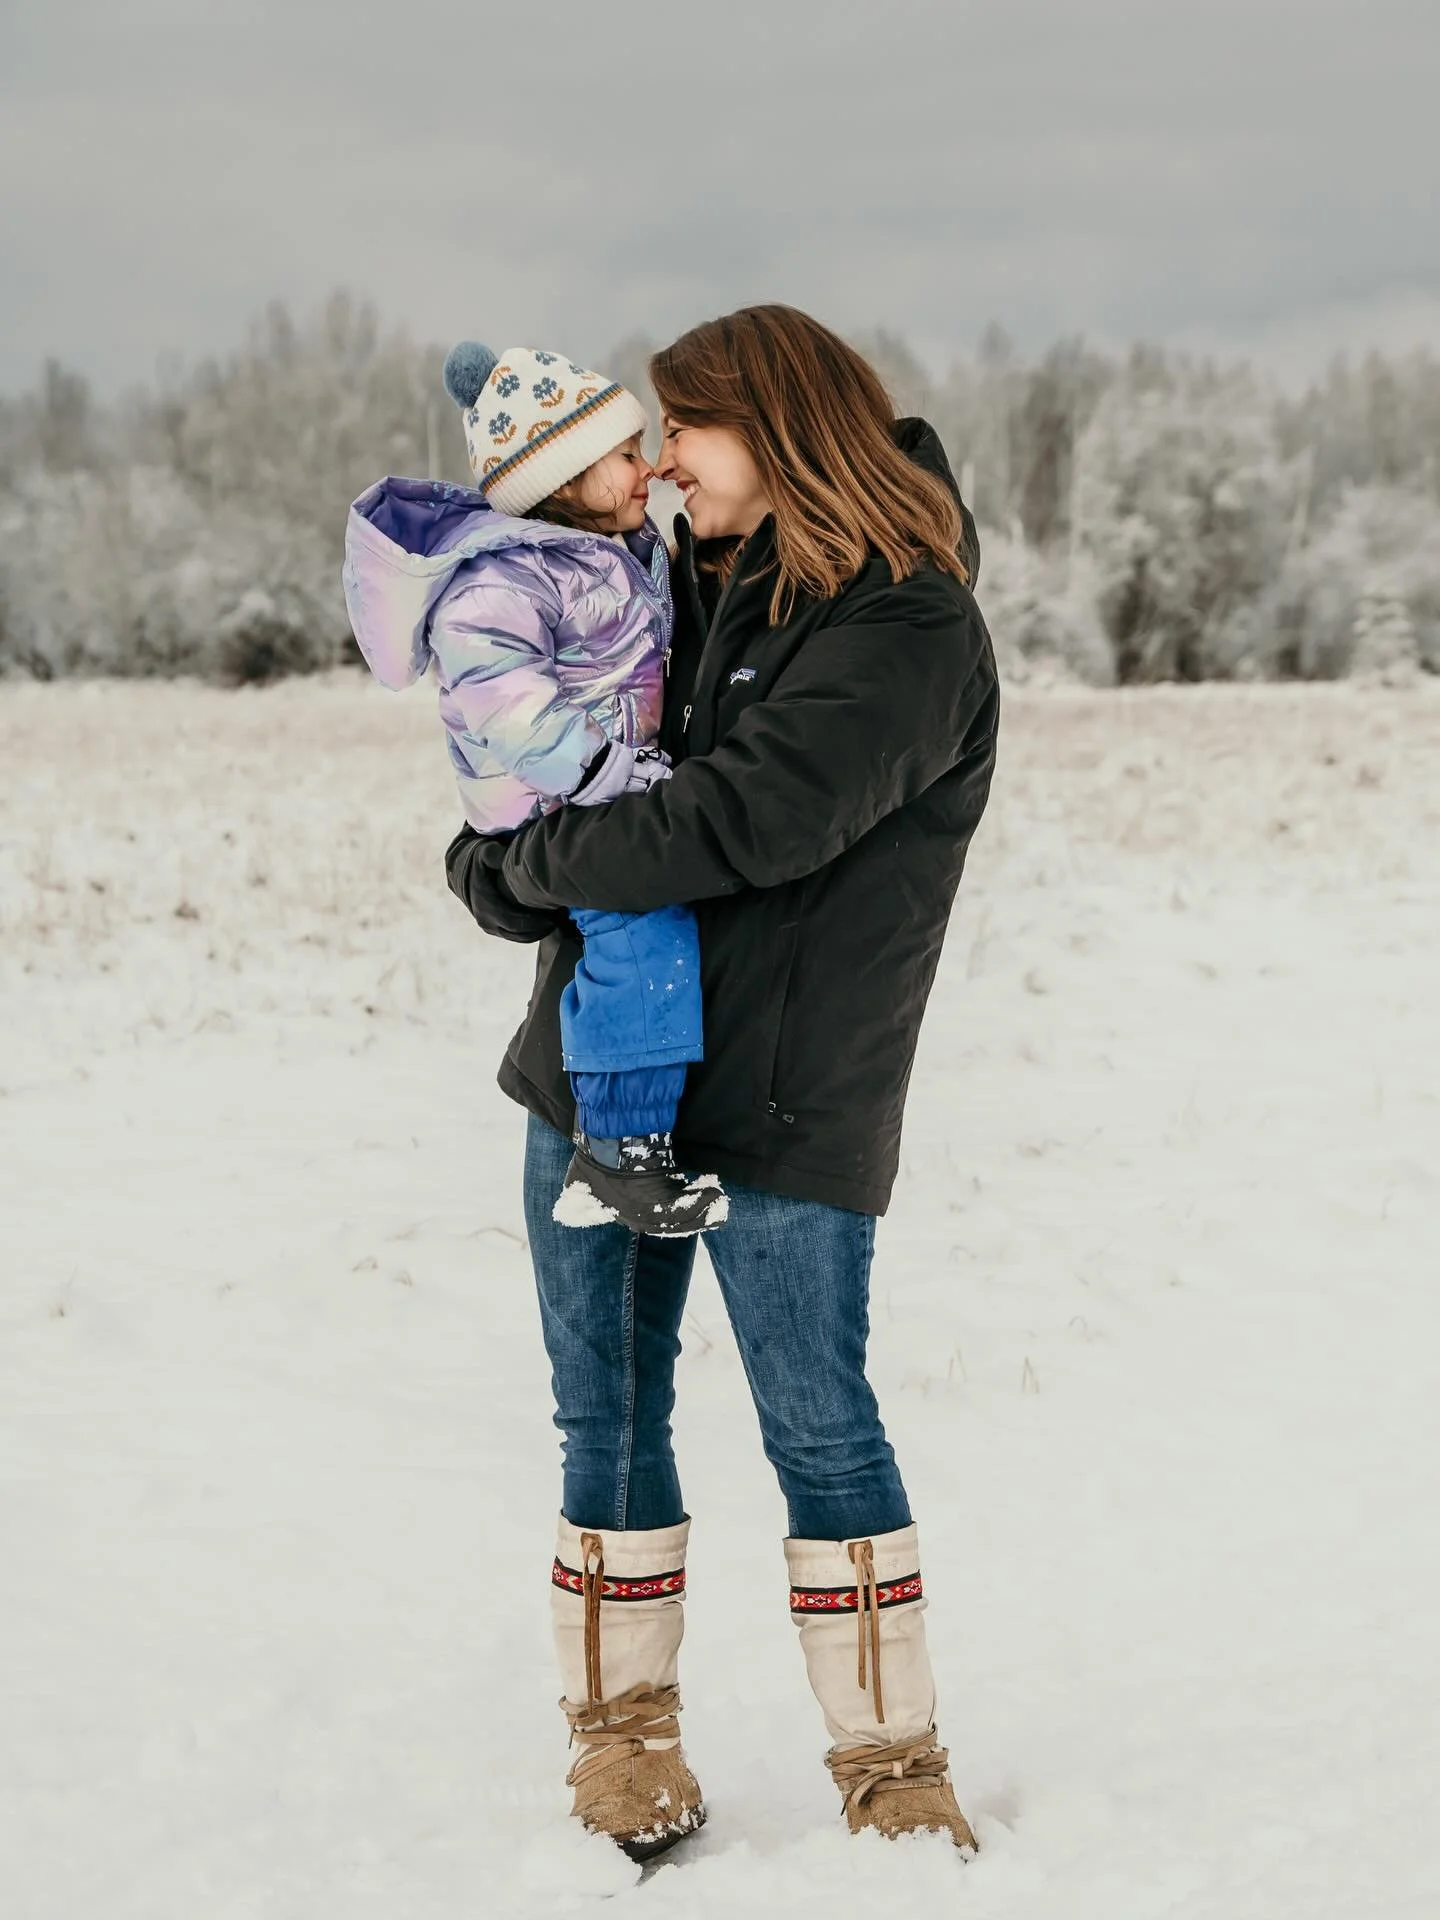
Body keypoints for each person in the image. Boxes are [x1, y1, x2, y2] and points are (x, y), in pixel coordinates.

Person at [447, 305, 999, 1860]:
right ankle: (622, 1742)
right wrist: (504, 868)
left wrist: (517, 872)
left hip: (790, 1093)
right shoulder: (676, 584)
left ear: (778, 427)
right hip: (602, 1077)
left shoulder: (907, 626)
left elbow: (742, 823)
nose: (662, 466)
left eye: (682, 430)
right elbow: (546, 740)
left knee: (820, 1422)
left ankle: (891, 1760)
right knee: (603, 1418)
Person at [342, 341, 728, 1236]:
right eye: (627, 456)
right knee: (641, 932)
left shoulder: (610, 549)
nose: (648, 471)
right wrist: (602, 771)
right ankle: (618, 1156)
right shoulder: (504, 577)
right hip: (549, 797)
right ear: (564, 476)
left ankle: (627, 1140)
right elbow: (504, 705)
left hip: (595, 779)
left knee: (647, 932)